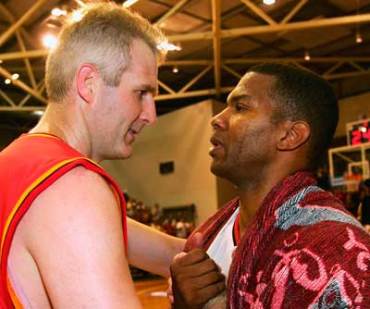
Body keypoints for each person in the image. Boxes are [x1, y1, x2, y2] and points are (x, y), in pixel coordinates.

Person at [0, 3, 207, 307]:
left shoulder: (19, 166)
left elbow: (177, 256)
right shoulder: (72, 189)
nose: (150, 115)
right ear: (88, 84)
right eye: (141, 93)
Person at [171, 63, 370, 308]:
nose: (217, 119)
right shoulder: (210, 233)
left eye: (240, 107)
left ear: (290, 136)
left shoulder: (340, 253)